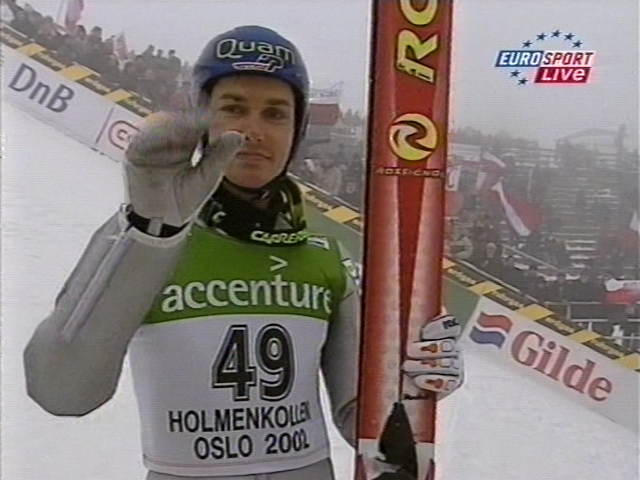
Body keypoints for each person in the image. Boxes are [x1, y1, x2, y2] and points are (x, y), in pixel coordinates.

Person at [23, 26, 463, 480]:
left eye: (276, 114)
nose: (253, 131)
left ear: (296, 130)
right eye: (233, 109)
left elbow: (364, 420)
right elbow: (61, 391)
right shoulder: (138, 237)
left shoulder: (323, 255)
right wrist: (152, 233)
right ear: (200, 119)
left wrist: (412, 381)